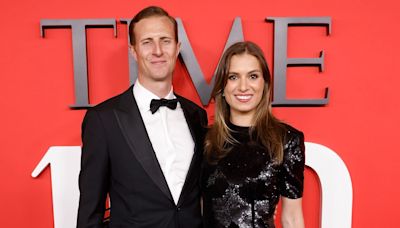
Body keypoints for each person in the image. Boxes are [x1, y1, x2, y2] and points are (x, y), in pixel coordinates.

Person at [77, 6, 208, 228]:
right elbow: (91, 210)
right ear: (133, 51)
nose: (157, 50)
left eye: (165, 40)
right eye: (147, 42)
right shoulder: (103, 120)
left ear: (178, 48)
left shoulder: (197, 116)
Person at [201, 41, 305, 228]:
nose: (243, 87)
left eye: (253, 76)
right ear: (222, 87)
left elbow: (292, 218)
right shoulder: (205, 139)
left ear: (264, 84)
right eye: (233, 77)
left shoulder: (287, 140)